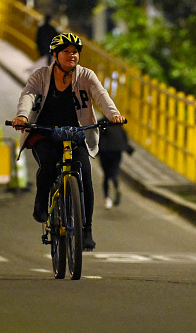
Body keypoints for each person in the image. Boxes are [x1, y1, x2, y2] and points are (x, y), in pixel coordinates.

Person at [10, 33, 126, 250]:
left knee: (86, 177)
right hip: (45, 133)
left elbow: (101, 95)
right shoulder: (41, 76)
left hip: (77, 134)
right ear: (55, 55)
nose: (72, 55)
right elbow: (27, 95)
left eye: (75, 52)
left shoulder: (86, 76)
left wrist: (113, 115)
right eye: (66, 51)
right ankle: (41, 202)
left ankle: (87, 230)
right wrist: (22, 117)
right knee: (47, 165)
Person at [98, 116, 133, 209]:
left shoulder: (102, 122)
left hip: (105, 151)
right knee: (114, 172)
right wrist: (128, 148)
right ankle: (116, 187)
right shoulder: (118, 121)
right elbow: (123, 135)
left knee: (106, 175)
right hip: (117, 150)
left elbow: (97, 137)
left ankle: (106, 198)